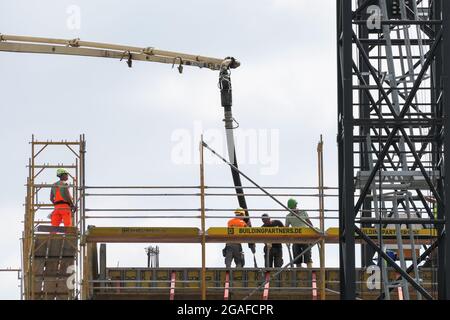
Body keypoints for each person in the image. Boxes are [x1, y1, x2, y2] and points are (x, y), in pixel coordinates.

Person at [285, 198, 313, 268]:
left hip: (305, 237)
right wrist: (287, 240)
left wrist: (313, 234)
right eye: (290, 208)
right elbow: (286, 229)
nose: (292, 209)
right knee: (297, 257)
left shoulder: (303, 212)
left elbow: (309, 223)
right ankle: (299, 271)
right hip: (295, 238)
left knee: (307, 256)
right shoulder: (288, 216)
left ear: (296, 205)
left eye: (293, 207)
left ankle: (309, 269)